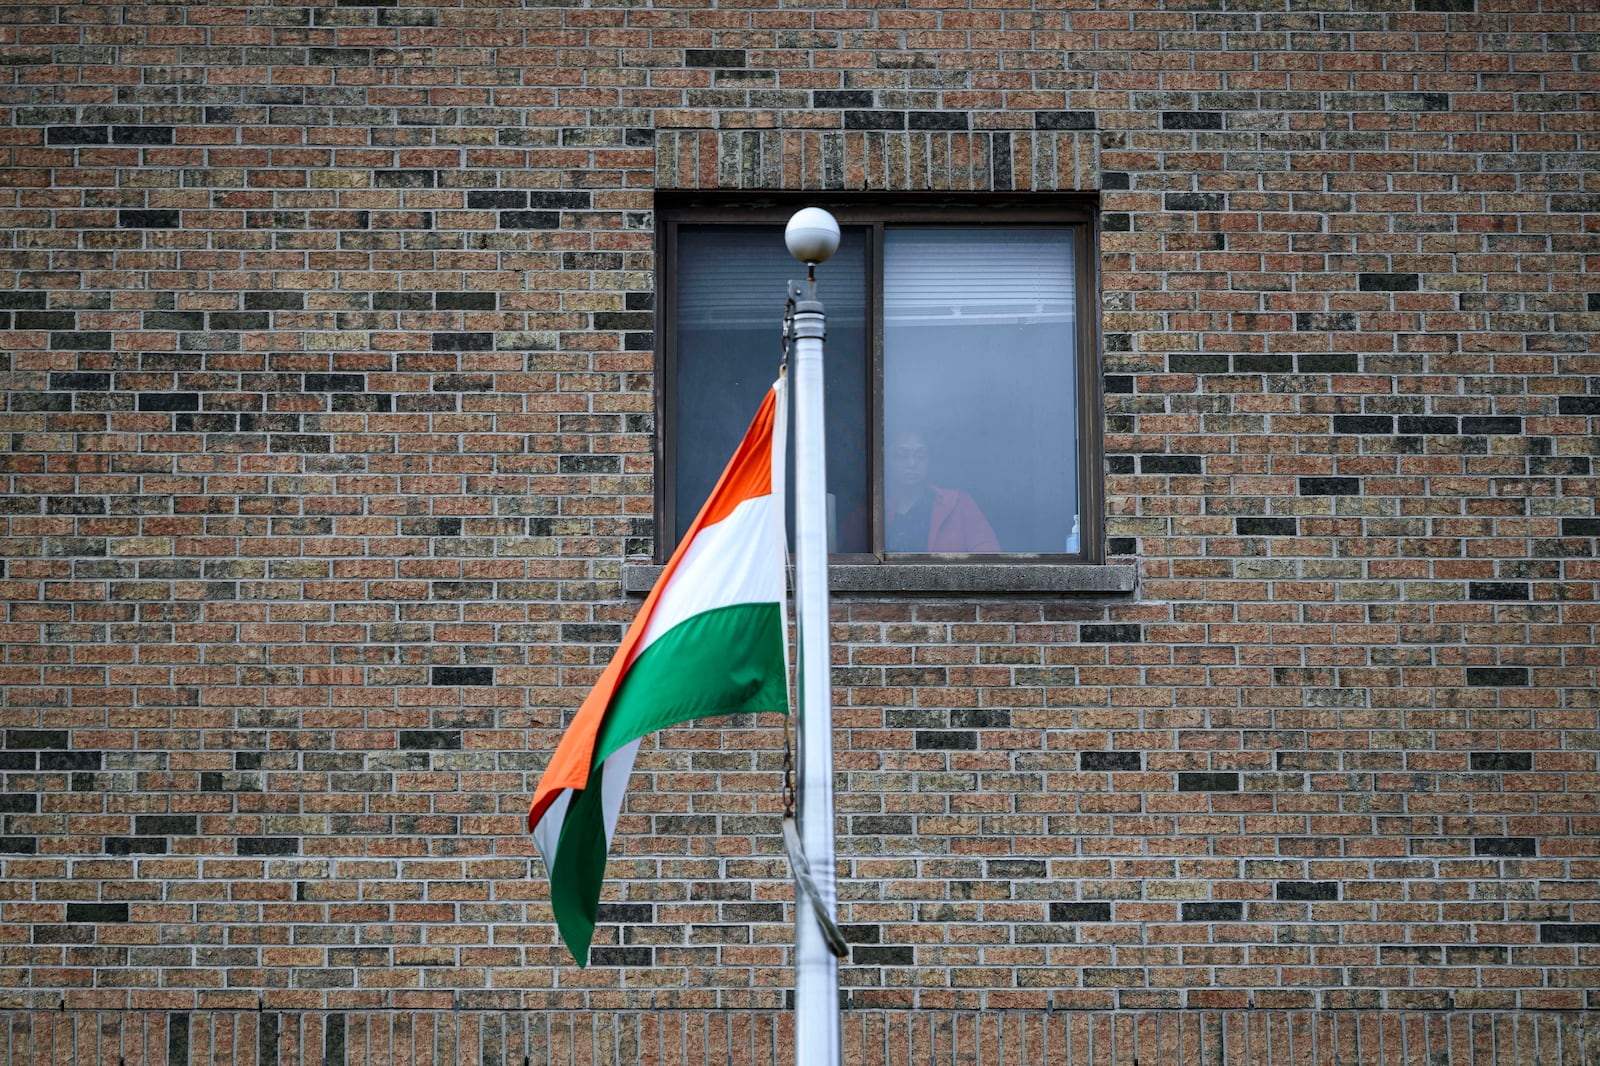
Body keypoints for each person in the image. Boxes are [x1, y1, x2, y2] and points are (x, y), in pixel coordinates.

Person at [884, 429, 1000, 553]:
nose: (912, 463)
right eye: (902, 454)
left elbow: (988, 554)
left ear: (929, 460)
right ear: (887, 459)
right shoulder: (875, 508)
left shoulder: (959, 503)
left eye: (920, 455)